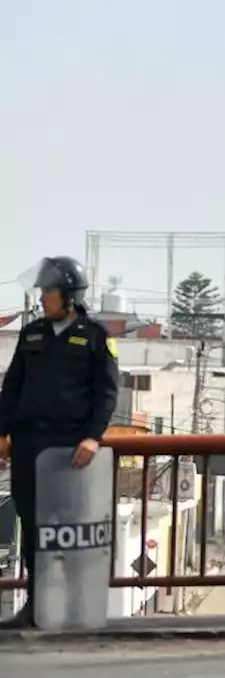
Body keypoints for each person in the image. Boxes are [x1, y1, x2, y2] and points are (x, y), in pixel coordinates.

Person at [0, 256, 119, 630]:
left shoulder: (95, 336)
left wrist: (92, 437)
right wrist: (3, 433)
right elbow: (12, 387)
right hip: (29, 444)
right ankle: (37, 607)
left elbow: (106, 393)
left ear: (68, 294)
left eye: (48, 291)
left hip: (70, 449)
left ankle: (73, 607)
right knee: (33, 527)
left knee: (68, 529)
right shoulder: (31, 333)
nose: (42, 297)